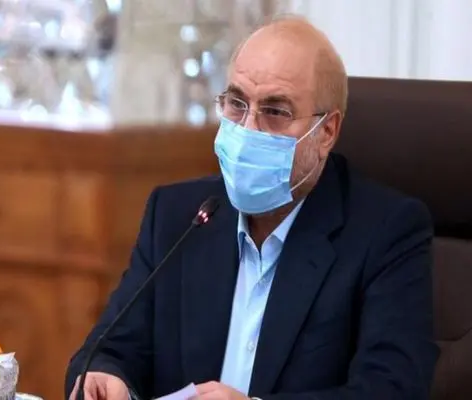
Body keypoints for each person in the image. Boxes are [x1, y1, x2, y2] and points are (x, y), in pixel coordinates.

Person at [65, 15, 438, 400]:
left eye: (275, 111)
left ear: (326, 131)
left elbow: (392, 390)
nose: (248, 129)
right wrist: (106, 377)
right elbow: (109, 349)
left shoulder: (386, 232)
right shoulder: (178, 215)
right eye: (236, 103)